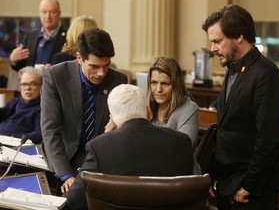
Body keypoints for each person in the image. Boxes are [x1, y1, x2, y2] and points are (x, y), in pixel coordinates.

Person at [202, 4, 279, 210]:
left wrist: (249, 185)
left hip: (249, 192)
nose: (213, 48)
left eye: (217, 41)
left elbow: (268, 139)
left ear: (239, 36)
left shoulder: (267, 74)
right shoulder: (232, 69)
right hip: (227, 183)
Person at [66, 84, 196, 210]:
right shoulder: (182, 142)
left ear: (112, 118)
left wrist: (106, 137)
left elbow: (75, 200)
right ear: (148, 112)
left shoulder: (99, 147)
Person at [40, 27, 127, 195]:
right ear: (79, 58)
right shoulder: (55, 76)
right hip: (65, 156)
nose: (101, 73)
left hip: (100, 158)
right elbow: (50, 131)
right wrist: (66, 175)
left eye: (106, 66)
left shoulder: (118, 80)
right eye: (94, 66)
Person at [146, 56, 201, 174]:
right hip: (152, 174)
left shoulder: (189, 108)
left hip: (181, 176)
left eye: (165, 83)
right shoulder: (145, 107)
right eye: (154, 82)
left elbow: (183, 148)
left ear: (176, 85)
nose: (158, 89)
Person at [9, 0, 66, 71]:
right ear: (39, 14)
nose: (48, 16)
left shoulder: (68, 37)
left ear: (59, 14)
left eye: (52, 12)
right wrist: (13, 60)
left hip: (55, 81)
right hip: (32, 81)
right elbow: (22, 67)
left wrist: (53, 69)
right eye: (44, 12)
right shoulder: (31, 36)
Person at [0, 66, 43, 144]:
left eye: (33, 84)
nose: (27, 88)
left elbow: (39, 134)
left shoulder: (42, 108)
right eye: (24, 84)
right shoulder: (13, 102)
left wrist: (13, 138)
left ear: (41, 86)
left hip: (16, 146)